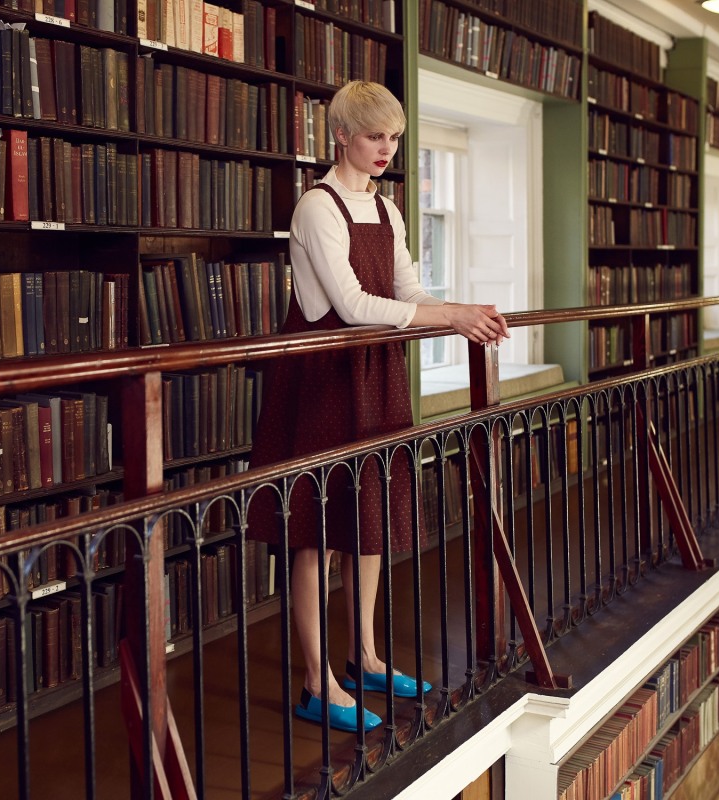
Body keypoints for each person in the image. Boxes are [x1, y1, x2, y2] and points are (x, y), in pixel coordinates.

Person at [248, 81, 509, 733]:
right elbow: (353, 307)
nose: (387, 149)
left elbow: (407, 289)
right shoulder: (317, 206)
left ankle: (363, 656)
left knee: (366, 518)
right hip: (323, 376)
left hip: (377, 373)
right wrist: (450, 315)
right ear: (342, 136)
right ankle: (317, 683)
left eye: (394, 138)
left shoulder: (388, 211)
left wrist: (457, 310)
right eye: (374, 137)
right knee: (313, 531)